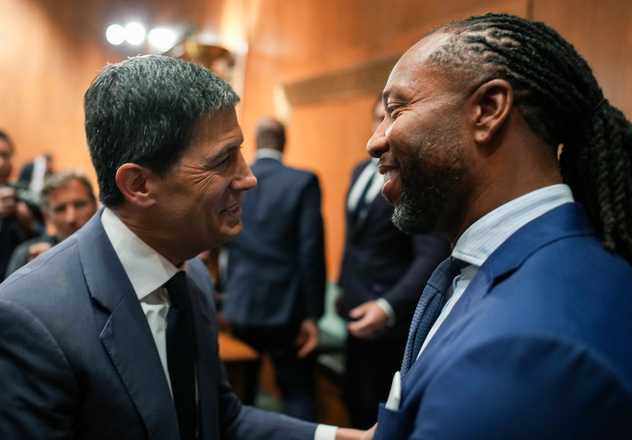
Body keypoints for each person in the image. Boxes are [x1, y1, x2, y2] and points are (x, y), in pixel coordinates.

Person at [0, 55, 364, 440]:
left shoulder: (189, 278)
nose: (248, 177)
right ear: (139, 185)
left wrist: (344, 438)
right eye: (224, 159)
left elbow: (219, 418)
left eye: (241, 152)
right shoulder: (30, 319)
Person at [365, 13, 632, 439]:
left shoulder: (525, 349)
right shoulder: (498, 266)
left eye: (396, 110)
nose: (375, 140)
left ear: (487, 110)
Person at [336, 98, 448, 428]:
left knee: (377, 411)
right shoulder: (359, 170)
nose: (380, 128)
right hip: (353, 309)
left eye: (390, 118)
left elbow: (429, 255)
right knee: (351, 400)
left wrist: (388, 306)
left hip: (388, 320)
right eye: (376, 118)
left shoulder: (415, 181)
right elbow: (354, 241)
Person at [224, 117, 326, 421]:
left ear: (255, 143)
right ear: (284, 142)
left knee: (240, 395)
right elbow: (310, 250)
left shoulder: (235, 182)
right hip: (287, 310)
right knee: (297, 393)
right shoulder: (303, 181)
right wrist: (313, 314)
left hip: (240, 305)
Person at [6, 170, 97, 275]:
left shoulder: (113, 244)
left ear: (95, 204)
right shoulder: (28, 255)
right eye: (60, 209)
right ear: (47, 216)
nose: (71, 218)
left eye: (79, 205)